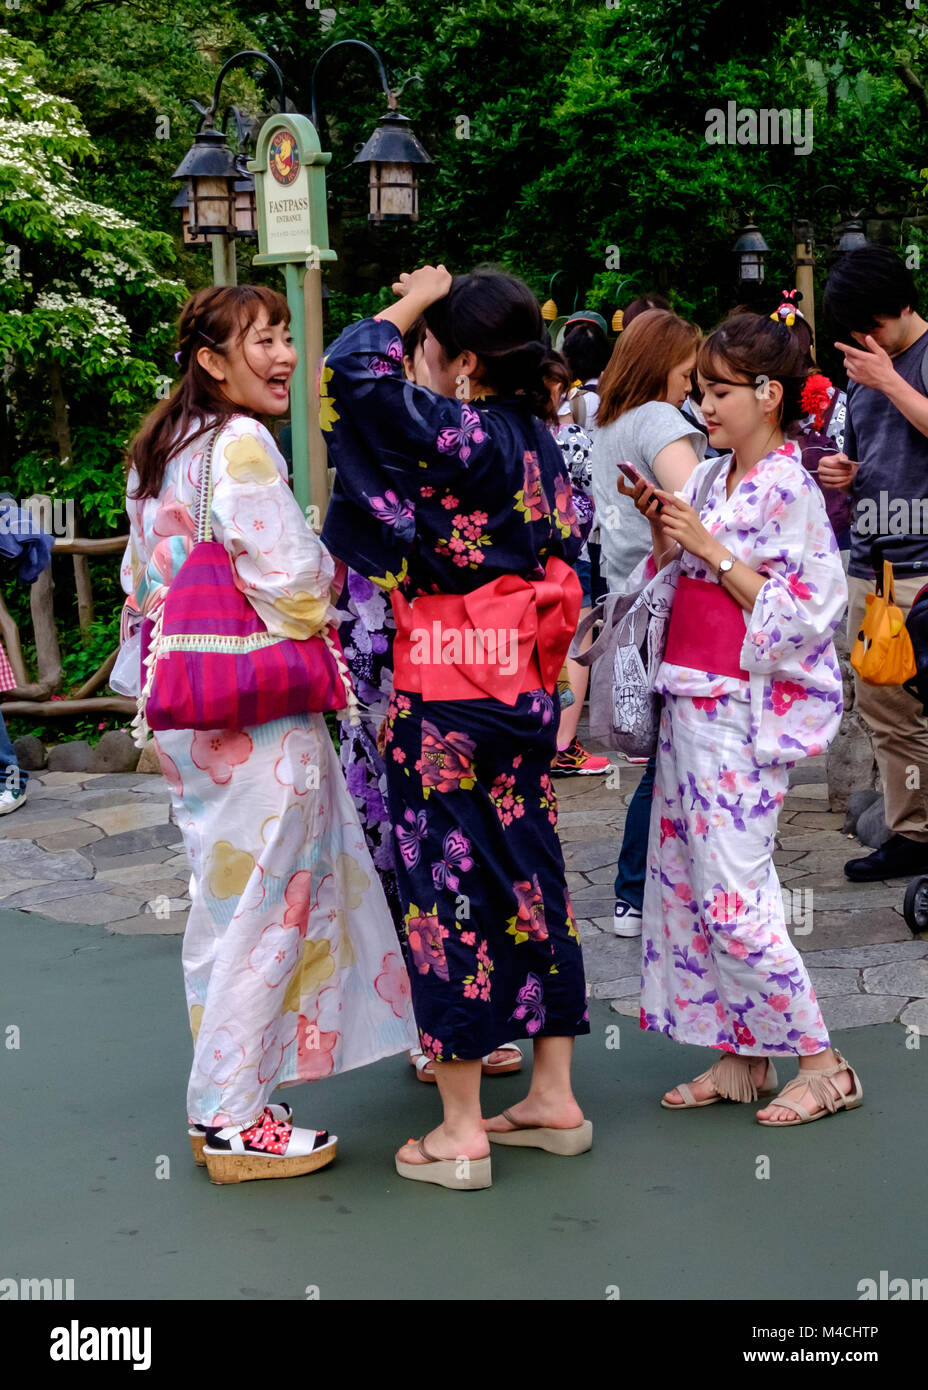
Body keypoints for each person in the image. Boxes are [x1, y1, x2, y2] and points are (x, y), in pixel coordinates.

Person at [124, 285, 417, 1184]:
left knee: (227, 909)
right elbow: (292, 577)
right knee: (272, 905)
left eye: (287, 336)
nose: (284, 354)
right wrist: (333, 576)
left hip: (191, 702)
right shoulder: (242, 444)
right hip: (256, 711)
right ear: (213, 361)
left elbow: (146, 578)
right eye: (262, 340)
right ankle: (231, 1117)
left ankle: (226, 1092)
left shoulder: (164, 447)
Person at [320, 264, 592, 1190]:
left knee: (448, 891)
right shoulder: (543, 446)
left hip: (442, 692)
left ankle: (462, 1129)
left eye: (433, 347)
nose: (419, 359)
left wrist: (406, 296)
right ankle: (553, 1095)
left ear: (467, 361)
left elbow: (351, 373)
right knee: (531, 873)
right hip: (522, 691)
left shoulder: (461, 434)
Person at [621, 311, 862, 1126]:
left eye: (721, 391)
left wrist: (714, 552)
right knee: (688, 881)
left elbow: (810, 609)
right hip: (691, 694)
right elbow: (678, 573)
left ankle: (823, 1061)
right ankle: (743, 1050)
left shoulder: (789, 485)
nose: (707, 406)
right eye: (703, 388)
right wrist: (667, 528)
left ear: (770, 394)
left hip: (741, 705)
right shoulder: (709, 478)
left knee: (733, 890)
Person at [589, 308, 705, 936]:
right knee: (671, 752)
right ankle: (635, 892)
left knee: (665, 751)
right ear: (664, 364)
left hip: (628, 602)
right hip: (672, 601)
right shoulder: (660, 420)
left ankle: (648, 889)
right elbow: (697, 505)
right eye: (689, 371)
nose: (694, 386)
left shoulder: (611, 423)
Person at [820, 246, 928, 881]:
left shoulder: (905, 363)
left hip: (924, 572)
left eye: (872, 329)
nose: (864, 343)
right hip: (874, 568)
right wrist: (845, 473)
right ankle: (912, 834)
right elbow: (864, 457)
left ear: (903, 305)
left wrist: (890, 378)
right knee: (886, 710)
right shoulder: (862, 375)